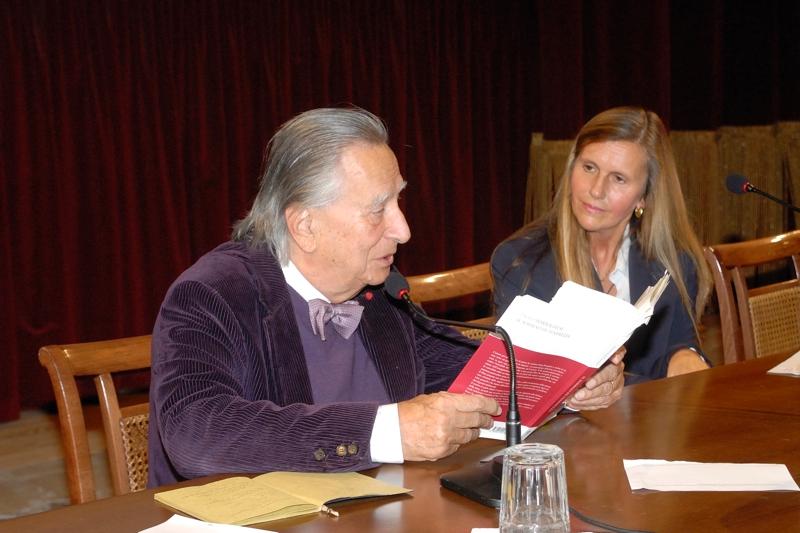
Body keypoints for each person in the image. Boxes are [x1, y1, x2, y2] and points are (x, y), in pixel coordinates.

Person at [148, 107, 624, 487]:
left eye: (398, 201)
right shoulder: (213, 294)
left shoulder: (376, 292)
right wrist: (386, 432)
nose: (403, 229)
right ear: (305, 225)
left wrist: (565, 379)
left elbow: (462, 370)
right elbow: (195, 430)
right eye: (378, 210)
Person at [492, 106, 712, 381]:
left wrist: (686, 358)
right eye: (589, 167)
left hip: (652, 408)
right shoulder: (521, 262)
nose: (596, 190)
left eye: (618, 178)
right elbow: (526, 381)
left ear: (644, 197)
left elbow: (678, 344)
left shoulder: (673, 261)